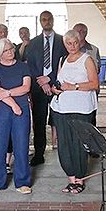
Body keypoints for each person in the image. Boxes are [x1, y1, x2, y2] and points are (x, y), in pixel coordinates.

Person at [49, 30, 99, 194]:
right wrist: (54, 89)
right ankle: (71, 179)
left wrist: (74, 87)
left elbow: (94, 84)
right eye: (68, 43)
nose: (72, 46)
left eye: (75, 43)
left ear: (80, 42)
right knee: (64, 144)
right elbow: (59, 81)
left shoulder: (87, 59)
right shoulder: (62, 59)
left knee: (79, 144)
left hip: (81, 108)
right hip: (62, 108)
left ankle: (80, 179)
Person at [0, 39, 33, 195]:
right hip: (2, 111)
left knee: (21, 145)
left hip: (22, 111)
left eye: (11, 48)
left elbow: (26, 87)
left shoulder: (23, 67)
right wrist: (14, 105)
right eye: (6, 50)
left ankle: (23, 181)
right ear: (0, 53)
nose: (11, 51)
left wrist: (9, 92)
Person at [25, 11, 67, 166]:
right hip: (38, 88)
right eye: (44, 19)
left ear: (53, 21)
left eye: (49, 19)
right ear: (40, 22)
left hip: (57, 86)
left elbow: (65, 63)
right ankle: (39, 153)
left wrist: (49, 79)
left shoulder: (62, 41)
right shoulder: (34, 42)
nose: (47, 22)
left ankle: (65, 151)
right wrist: (42, 82)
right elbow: (30, 65)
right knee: (39, 121)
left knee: (61, 120)